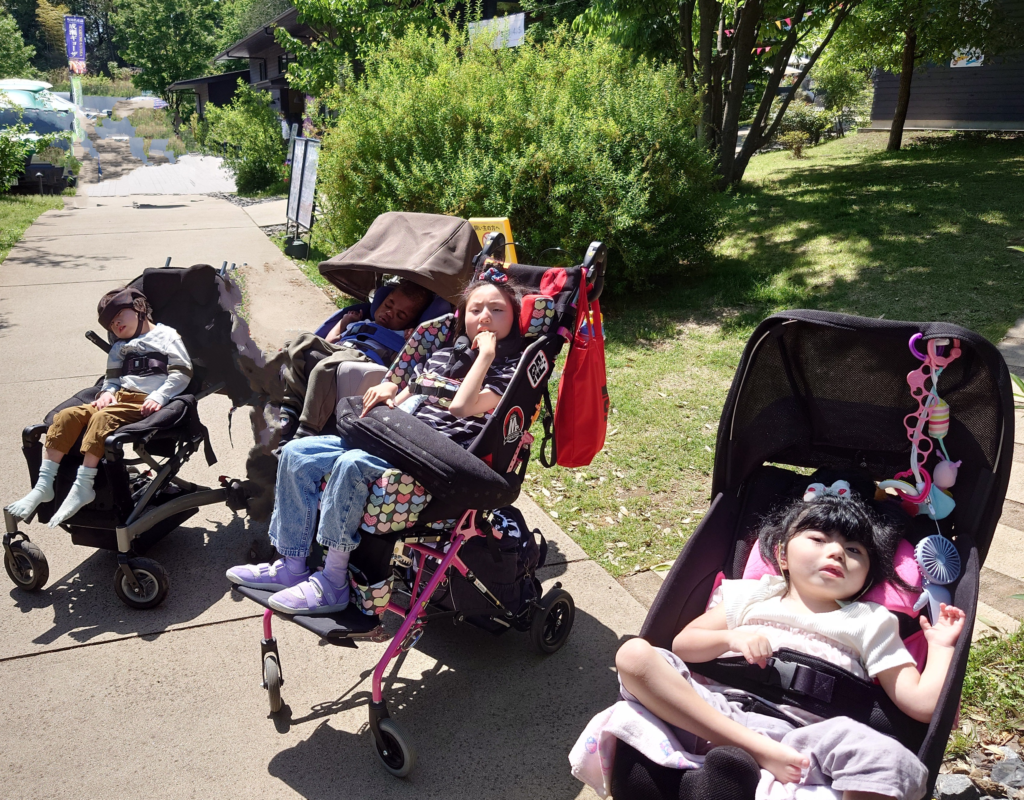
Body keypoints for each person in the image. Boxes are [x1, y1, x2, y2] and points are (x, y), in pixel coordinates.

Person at [605, 487, 966, 800]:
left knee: (890, 760)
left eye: (854, 550)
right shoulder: (752, 594)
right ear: (782, 556)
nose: (837, 552)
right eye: (819, 539)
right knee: (635, 655)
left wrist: (941, 647)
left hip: (805, 736)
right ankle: (748, 754)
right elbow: (684, 645)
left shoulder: (871, 620)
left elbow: (920, 704)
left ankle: (727, 776)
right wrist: (731, 637)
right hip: (716, 713)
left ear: (866, 579)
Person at [226, 275, 523, 614]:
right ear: (462, 316)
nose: (484, 317)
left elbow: (461, 406)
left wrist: (486, 355)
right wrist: (391, 390)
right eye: (475, 309)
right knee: (298, 453)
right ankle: (291, 564)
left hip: (436, 461)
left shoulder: (509, 370)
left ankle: (333, 581)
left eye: (496, 310)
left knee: (351, 463)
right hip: (398, 438)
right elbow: (410, 395)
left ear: (514, 318)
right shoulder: (443, 354)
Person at [6, 287, 192, 527]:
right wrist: (107, 393)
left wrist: (160, 396)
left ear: (139, 309)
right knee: (67, 416)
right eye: (111, 323)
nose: (116, 324)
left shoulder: (167, 336)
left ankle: (83, 486)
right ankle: (44, 486)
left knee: (101, 419)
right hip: (120, 398)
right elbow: (112, 380)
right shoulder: (118, 347)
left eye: (119, 316)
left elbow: (182, 373)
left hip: (147, 401)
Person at [276, 279, 434, 441]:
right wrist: (344, 322)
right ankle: (290, 407)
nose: (389, 313)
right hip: (339, 351)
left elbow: (398, 366)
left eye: (400, 315)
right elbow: (330, 342)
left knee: (325, 367)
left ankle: (308, 428)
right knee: (300, 343)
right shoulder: (361, 323)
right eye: (388, 305)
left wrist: (410, 343)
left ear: (410, 323)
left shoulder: (401, 337)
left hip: (363, 360)